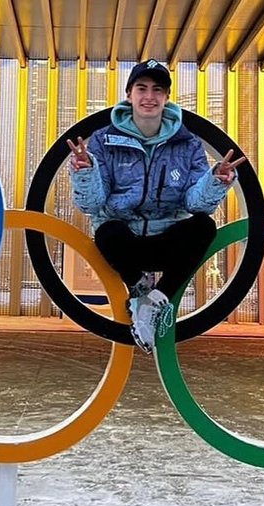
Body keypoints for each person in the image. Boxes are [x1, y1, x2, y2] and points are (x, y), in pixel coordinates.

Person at [67, 59, 245, 353]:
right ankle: (140, 288)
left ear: (166, 97)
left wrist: (216, 180)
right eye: (142, 88)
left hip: (167, 238)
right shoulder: (103, 140)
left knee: (203, 226)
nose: (149, 96)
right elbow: (92, 204)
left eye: (157, 90)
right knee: (107, 229)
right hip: (126, 242)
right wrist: (85, 172)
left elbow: (195, 202)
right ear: (129, 95)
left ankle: (154, 299)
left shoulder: (187, 143)